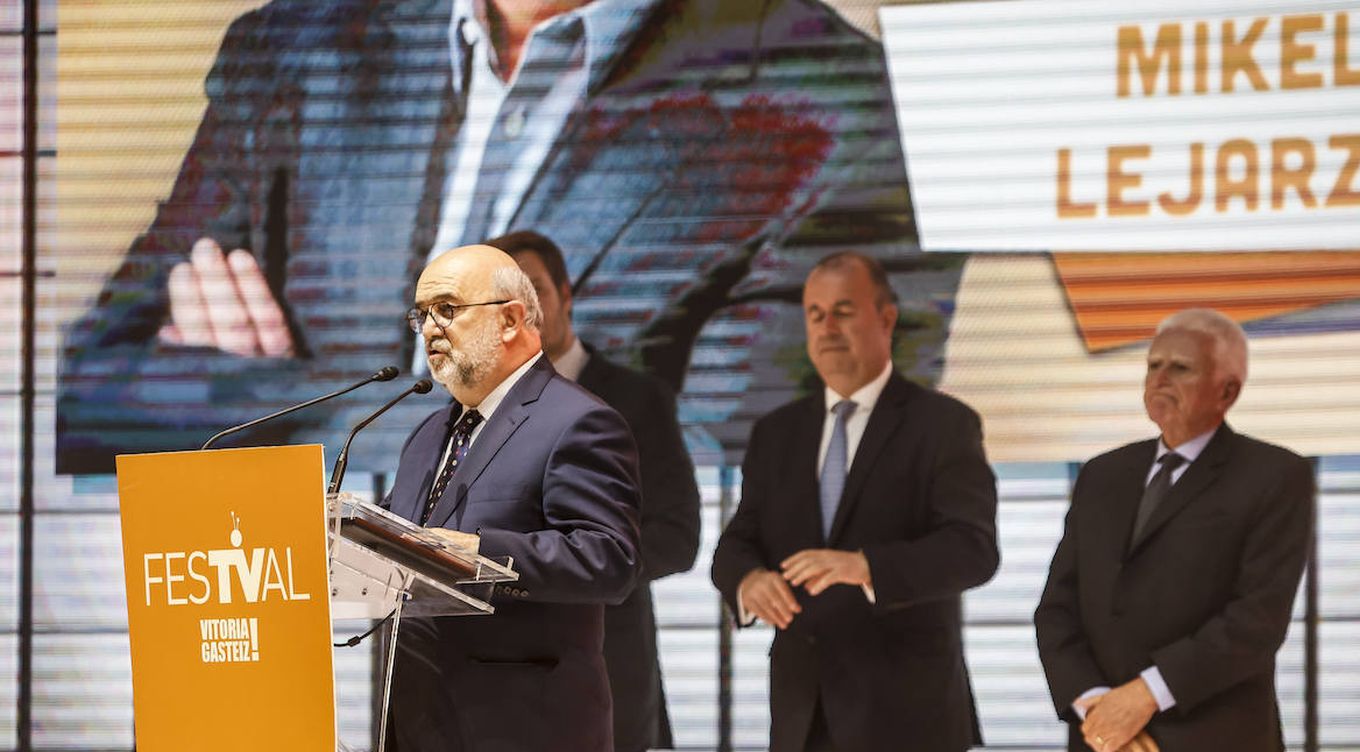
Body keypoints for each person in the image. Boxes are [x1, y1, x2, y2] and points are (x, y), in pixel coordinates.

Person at [56, 0, 966, 475]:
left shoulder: (850, 113)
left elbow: (695, 474)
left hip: (543, 691)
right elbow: (93, 392)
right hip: (268, 645)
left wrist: (266, 407)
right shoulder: (297, 43)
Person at [710, 251, 998, 752]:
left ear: (887, 318)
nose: (827, 328)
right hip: (806, 718)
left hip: (910, 723)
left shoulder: (943, 425)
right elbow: (737, 543)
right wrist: (747, 581)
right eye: (815, 314)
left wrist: (867, 566)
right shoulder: (776, 435)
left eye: (844, 311)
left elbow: (973, 548)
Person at [380, 244, 640, 752]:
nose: (430, 329)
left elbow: (610, 559)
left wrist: (480, 553)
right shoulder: (426, 435)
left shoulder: (576, 421)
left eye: (447, 308)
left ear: (512, 318)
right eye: (422, 314)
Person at [1033, 308, 1313, 752]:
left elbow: (1257, 621)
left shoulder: (1276, 476)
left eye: (1179, 368)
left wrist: (1142, 697)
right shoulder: (1103, 475)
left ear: (1226, 391)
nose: (1159, 378)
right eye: (1152, 365)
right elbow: (1056, 610)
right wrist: (1100, 709)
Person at [485, 229, 701, 752]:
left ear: (566, 293)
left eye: (532, 293)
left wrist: (576, 569)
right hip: (498, 696)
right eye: (501, 301)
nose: (517, 313)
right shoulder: (480, 411)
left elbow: (678, 535)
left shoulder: (637, 399)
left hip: (605, 684)